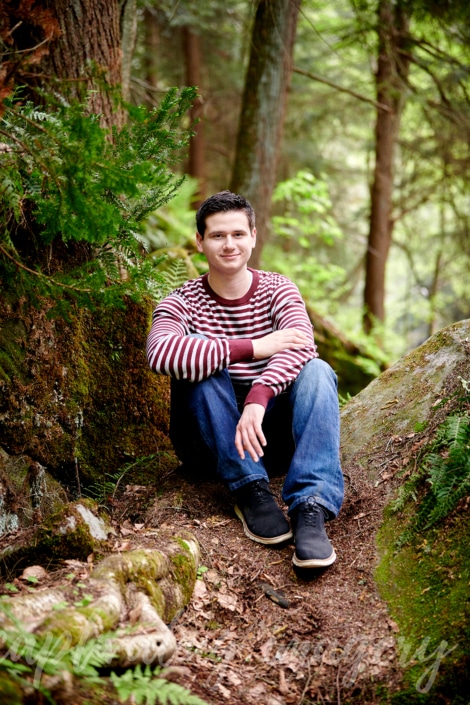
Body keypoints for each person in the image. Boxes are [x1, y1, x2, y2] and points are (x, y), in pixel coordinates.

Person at [146, 191, 344, 569]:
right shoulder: (181, 302)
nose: (229, 244)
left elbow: (302, 346)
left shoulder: (278, 289)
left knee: (318, 371)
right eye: (218, 235)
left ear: (253, 236)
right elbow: (159, 353)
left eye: (238, 234)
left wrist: (259, 395)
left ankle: (310, 508)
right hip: (210, 442)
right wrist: (253, 347)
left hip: (271, 436)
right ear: (200, 242)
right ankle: (249, 489)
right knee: (198, 358)